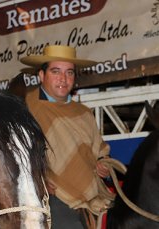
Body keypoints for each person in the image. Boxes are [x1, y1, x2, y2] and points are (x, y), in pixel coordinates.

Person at [20, 45, 112, 229]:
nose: (64, 79)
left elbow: (100, 150)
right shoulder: (26, 107)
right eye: (56, 71)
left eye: (69, 73)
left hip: (93, 193)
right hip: (49, 194)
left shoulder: (84, 112)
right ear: (41, 75)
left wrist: (104, 163)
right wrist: (37, 178)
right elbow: (11, 153)